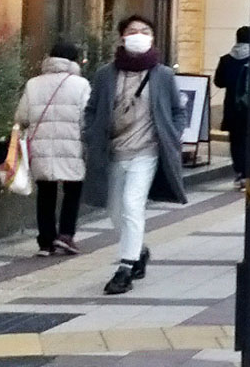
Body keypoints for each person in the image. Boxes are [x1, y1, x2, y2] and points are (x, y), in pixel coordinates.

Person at [83, 15, 187, 295]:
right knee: (115, 210)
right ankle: (138, 251)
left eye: (144, 31)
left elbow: (178, 111)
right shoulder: (106, 74)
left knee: (131, 204)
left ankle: (125, 269)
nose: (138, 35)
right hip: (114, 151)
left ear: (152, 38)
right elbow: (92, 109)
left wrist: (173, 135)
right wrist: (91, 133)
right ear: (122, 38)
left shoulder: (162, 75)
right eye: (132, 31)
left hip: (147, 151)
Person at [16, 42, 92, 257]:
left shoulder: (33, 84)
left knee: (46, 193)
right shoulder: (81, 84)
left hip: (40, 146)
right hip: (71, 146)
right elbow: (86, 119)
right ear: (74, 60)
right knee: (73, 190)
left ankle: (45, 241)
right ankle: (66, 235)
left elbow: (21, 117)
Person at [213, 26, 250, 189]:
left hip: (232, 107)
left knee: (236, 140)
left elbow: (218, 82)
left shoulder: (226, 59)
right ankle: (249, 172)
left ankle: (240, 172)